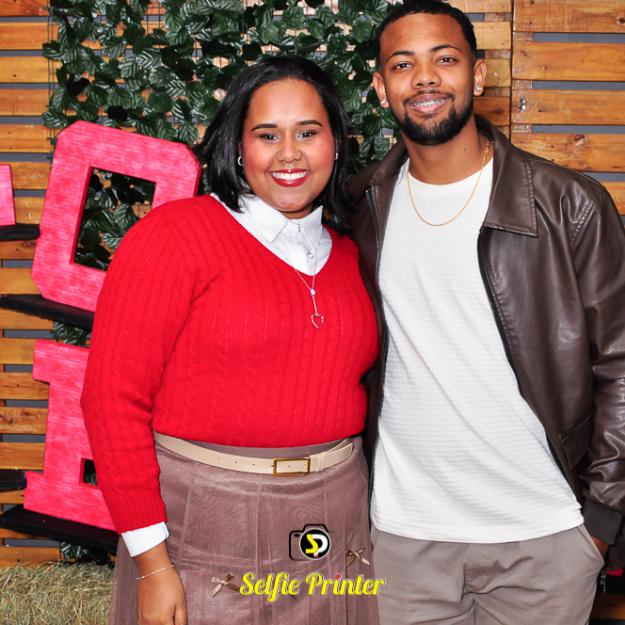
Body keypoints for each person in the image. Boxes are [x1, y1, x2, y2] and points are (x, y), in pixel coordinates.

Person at [348, 2, 625, 624]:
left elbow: (622, 366)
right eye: (403, 64)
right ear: (381, 87)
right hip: (402, 541)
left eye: (444, 59)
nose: (425, 78)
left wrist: (600, 520)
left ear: (477, 75)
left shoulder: (568, 205)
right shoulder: (360, 206)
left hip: (546, 540)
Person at [81, 56, 379, 625]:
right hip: (207, 521)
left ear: (336, 144)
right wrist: (151, 564)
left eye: (308, 133)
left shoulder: (348, 253)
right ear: (239, 148)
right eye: (267, 135)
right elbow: (111, 401)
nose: (289, 153)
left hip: (336, 514)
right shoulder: (175, 236)